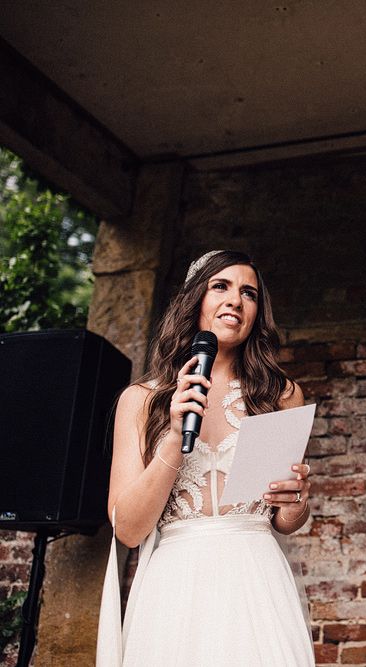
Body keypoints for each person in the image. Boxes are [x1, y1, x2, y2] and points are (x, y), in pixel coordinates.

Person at [97, 250, 315, 667]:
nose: (235, 300)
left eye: (248, 293)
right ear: (195, 300)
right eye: (221, 287)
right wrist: (176, 434)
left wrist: (297, 501)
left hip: (257, 578)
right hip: (177, 585)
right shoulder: (142, 401)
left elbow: (283, 521)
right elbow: (127, 529)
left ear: (256, 313)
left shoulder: (278, 395)